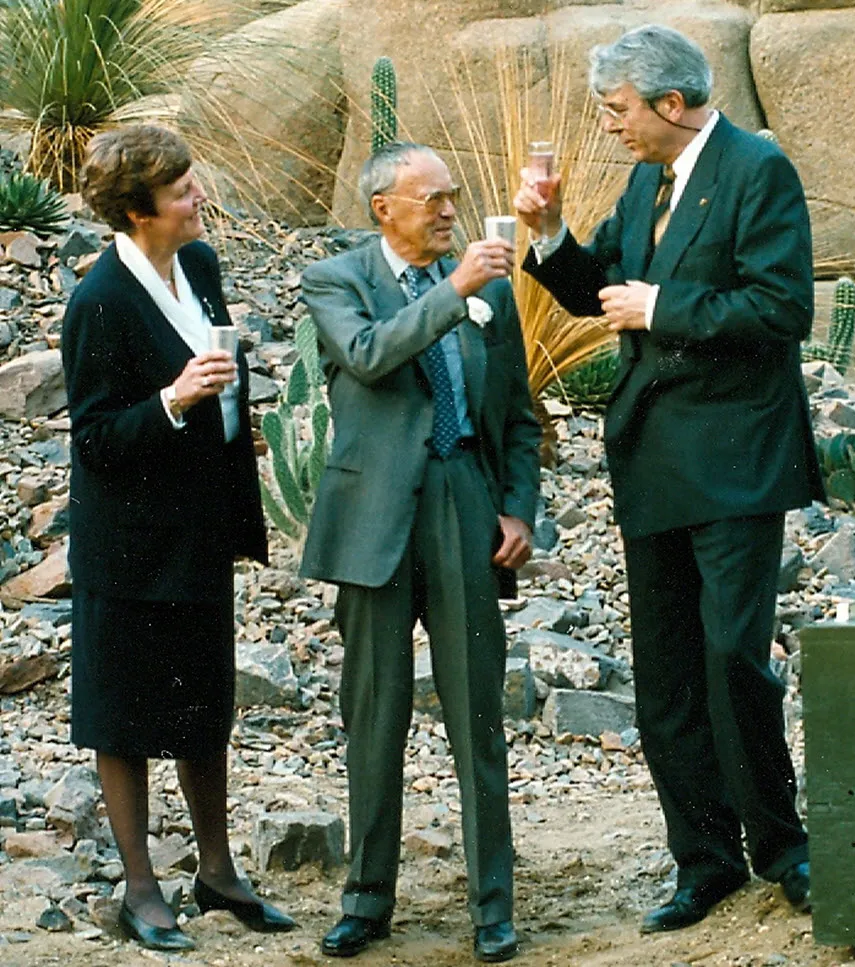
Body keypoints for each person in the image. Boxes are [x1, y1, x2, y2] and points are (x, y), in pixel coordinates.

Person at [514, 24, 825, 934]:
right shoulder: (646, 178)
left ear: (673, 103)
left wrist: (663, 306)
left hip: (735, 459)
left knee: (733, 659)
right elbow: (597, 289)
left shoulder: (758, 171)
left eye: (617, 110)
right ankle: (705, 861)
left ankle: (783, 848)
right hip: (652, 457)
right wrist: (550, 234)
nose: (609, 126)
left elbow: (783, 306)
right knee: (666, 676)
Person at [300, 141, 540, 963]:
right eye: (432, 198)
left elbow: (518, 415)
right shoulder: (336, 279)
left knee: (477, 712)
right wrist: (454, 292)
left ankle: (494, 906)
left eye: (453, 196)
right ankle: (366, 900)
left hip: (463, 499)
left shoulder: (488, 287)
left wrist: (518, 507)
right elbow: (369, 355)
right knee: (374, 712)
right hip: (372, 514)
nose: (448, 211)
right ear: (383, 209)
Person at [61, 124, 296, 952]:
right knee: (122, 711)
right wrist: (174, 399)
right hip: (127, 543)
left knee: (205, 701)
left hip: (199, 528)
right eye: (182, 189)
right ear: (138, 210)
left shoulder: (198, 265)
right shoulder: (98, 302)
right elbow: (94, 438)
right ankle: (141, 887)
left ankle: (218, 870)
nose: (199, 196)